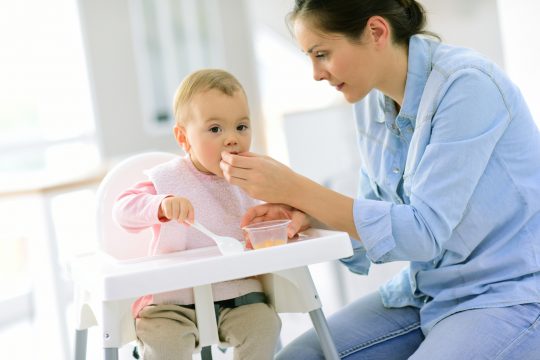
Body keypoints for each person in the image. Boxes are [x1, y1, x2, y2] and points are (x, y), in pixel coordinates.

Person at [219, 0, 540, 359]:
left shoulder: (467, 87)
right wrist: (305, 214)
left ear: (376, 32)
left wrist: (296, 187)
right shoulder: (372, 102)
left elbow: (423, 233)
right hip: (426, 292)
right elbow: (376, 214)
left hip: (509, 295)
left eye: (321, 53)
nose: (315, 73)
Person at [113, 69, 281, 360]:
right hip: (172, 302)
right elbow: (122, 210)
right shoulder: (167, 179)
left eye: (241, 127)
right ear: (183, 137)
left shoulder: (252, 177)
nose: (232, 139)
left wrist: (277, 218)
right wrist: (161, 205)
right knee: (164, 342)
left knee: (265, 325)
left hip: (237, 296)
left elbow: (280, 213)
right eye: (215, 129)